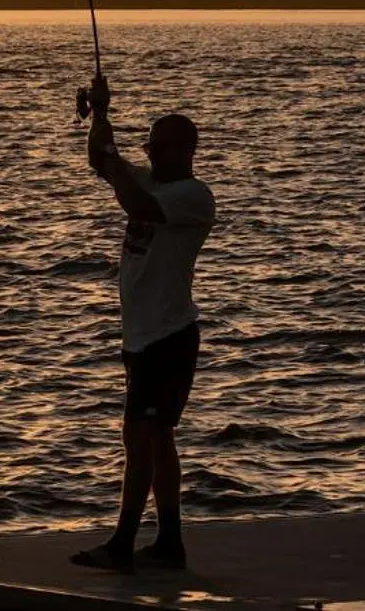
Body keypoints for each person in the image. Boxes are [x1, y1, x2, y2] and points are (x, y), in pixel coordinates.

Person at [71, 72, 216, 573]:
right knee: (156, 437)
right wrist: (103, 114)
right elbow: (100, 160)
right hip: (142, 336)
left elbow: (136, 202)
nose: (151, 155)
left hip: (169, 337)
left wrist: (114, 164)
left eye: (160, 148)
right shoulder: (151, 178)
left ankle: (122, 543)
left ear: (185, 149)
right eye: (149, 147)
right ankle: (170, 543)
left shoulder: (194, 196)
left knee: (140, 436)